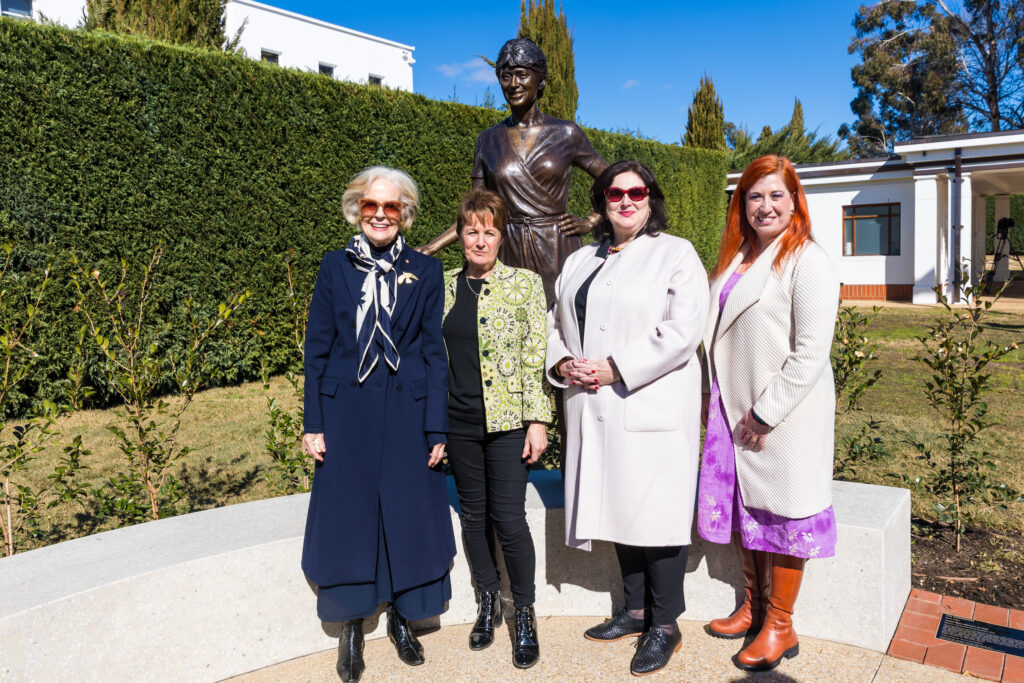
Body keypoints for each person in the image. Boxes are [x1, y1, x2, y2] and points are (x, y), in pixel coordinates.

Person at [545, 160, 708, 676]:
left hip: (647, 403)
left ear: (651, 198)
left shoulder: (676, 254)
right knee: (618, 506)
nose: (626, 201)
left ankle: (665, 624)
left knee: (655, 515)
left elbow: (684, 330)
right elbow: (555, 320)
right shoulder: (580, 260)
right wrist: (562, 361)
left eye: (636, 192)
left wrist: (616, 367)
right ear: (602, 202)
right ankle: (634, 611)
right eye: (615, 194)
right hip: (592, 404)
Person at [300, 166, 456, 683]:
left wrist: (437, 429)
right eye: (372, 206)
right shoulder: (332, 268)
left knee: (406, 513)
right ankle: (350, 627)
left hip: (408, 412)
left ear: (406, 214)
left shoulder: (426, 272)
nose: (381, 216)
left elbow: (434, 355)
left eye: (392, 207)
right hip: (345, 410)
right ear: (357, 210)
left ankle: (404, 619)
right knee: (350, 515)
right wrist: (313, 422)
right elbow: (317, 350)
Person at [697, 154, 839, 672]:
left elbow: (810, 352)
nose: (765, 206)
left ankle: (780, 624)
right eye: (754, 195)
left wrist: (764, 413)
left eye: (777, 194)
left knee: (784, 517)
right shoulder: (737, 260)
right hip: (734, 415)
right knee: (749, 516)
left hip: (781, 419)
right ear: (742, 204)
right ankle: (753, 607)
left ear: (795, 200)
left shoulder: (808, 260)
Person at [441, 189, 551, 669]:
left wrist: (538, 419)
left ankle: (522, 611)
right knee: (473, 518)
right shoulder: (442, 287)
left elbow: (534, 356)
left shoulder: (525, 285)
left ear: (501, 236)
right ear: (460, 236)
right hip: (459, 423)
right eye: (471, 231)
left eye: (489, 231)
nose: (480, 240)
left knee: (508, 520)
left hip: (509, 425)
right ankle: (488, 600)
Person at [419, 38, 608, 307]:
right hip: (507, 249)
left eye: (522, 75)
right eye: (506, 76)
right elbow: (475, 213)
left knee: (558, 327)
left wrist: (591, 221)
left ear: (540, 81)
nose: (513, 84)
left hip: (556, 246)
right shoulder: (487, 139)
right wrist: (429, 248)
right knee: (506, 327)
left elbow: (616, 180)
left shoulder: (566, 133)